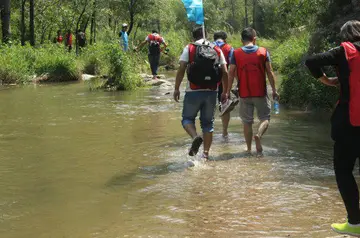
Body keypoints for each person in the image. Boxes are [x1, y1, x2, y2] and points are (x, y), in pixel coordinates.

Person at [305, 20, 360, 236]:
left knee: (344, 171)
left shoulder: (344, 51)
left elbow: (311, 61)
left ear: (346, 36)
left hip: (349, 120)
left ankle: (355, 224)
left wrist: (326, 80)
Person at [173, 27, 229, 160]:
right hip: (211, 91)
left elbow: (181, 68)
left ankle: (195, 137)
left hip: (193, 91)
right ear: (207, 35)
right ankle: (205, 154)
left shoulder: (190, 48)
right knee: (208, 124)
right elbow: (225, 72)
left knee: (187, 119)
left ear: (193, 37)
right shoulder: (216, 49)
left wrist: (176, 88)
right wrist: (225, 91)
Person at [227, 28, 279, 156]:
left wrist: (227, 91)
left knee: (247, 122)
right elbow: (270, 73)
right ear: (254, 39)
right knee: (265, 118)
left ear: (241, 40)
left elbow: (230, 73)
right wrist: (274, 90)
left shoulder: (236, 53)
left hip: (244, 93)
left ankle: (249, 149)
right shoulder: (263, 52)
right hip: (260, 92)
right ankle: (258, 135)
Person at [213, 31, 239, 141]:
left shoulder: (208, 46)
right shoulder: (229, 48)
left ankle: (208, 131)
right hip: (224, 82)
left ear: (214, 38)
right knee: (224, 107)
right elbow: (233, 69)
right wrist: (238, 82)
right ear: (225, 39)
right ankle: (224, 132)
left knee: (208, 107)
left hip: (208, 83)